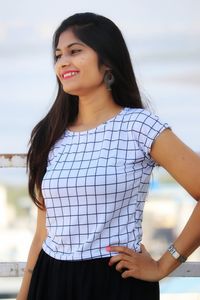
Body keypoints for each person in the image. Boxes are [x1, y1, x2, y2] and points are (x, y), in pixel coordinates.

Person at [17, 12, 200, 300]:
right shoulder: (49, 134)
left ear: (108, 62)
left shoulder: (139, 126)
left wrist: (165, 264)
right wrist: (24, 295)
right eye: (58, 55)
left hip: (114, 282)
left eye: (75, 51)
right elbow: (43, 233)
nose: (63, 62)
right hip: (50, 279)